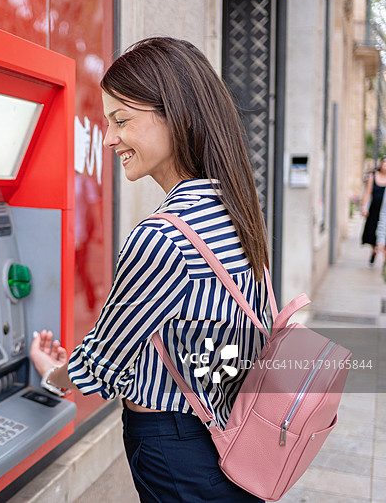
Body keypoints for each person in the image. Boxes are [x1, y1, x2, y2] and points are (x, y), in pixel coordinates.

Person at [30, 37, 270, 502]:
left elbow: (99, 368)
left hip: (176, 447)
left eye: (121, 120)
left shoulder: (163, 237)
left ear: (178, 115)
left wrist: (50, 372)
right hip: (226, 431)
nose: (109, 138)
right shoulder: (233, 208)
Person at [361, 157, 386, 264]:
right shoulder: (373, 176)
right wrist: (364, 207)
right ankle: (374, 249)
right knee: (372, 231)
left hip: (384, 208)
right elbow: (367, 192)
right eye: (384, 163)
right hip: (375, 208)